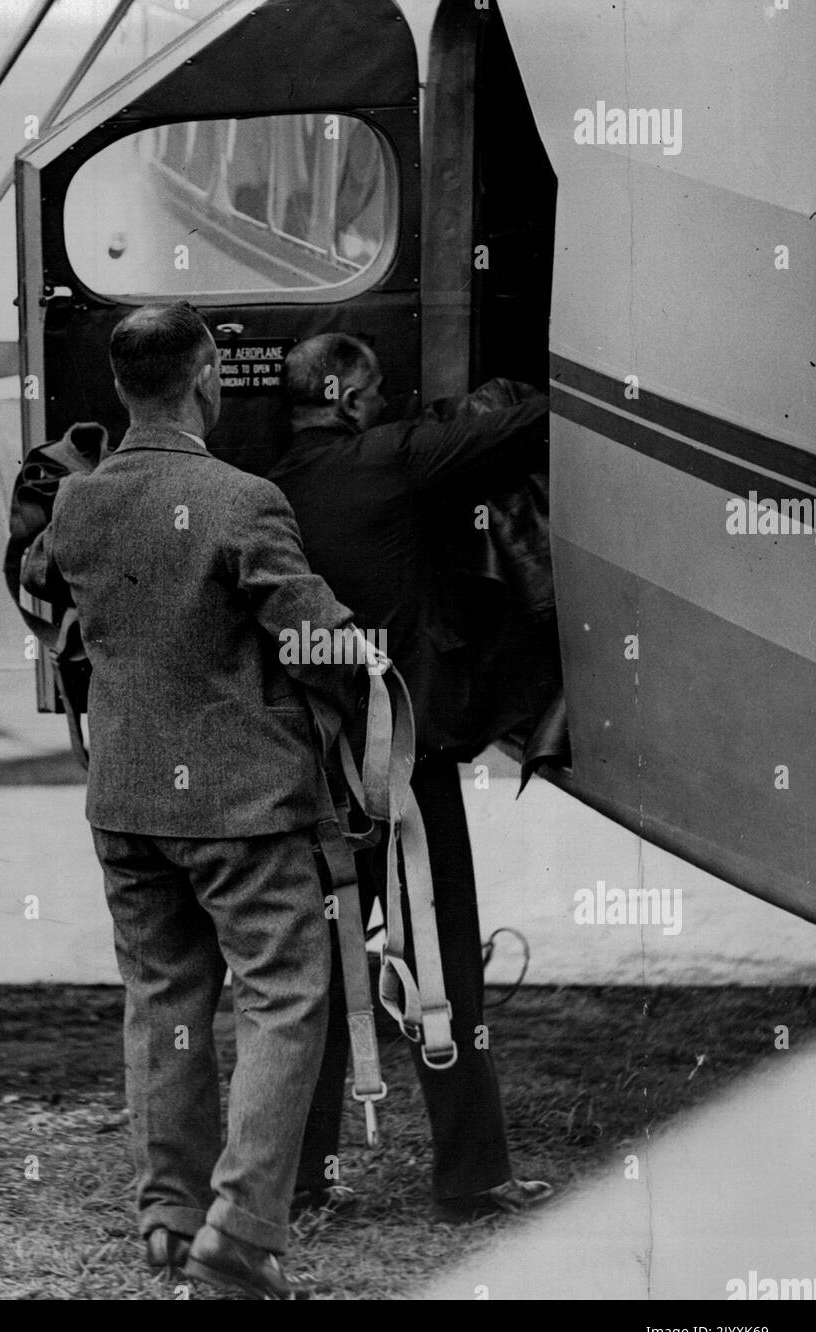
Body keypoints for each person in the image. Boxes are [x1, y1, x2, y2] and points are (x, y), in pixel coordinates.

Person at [22, 303, 368, 1299]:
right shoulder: (241, 499)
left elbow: (48, 599)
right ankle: (245, 1233)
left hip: (126, 798)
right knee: (283, 994)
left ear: (124, 388)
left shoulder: (78, 502)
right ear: (207, 377)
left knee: (165, 1001)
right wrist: (367, 672)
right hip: (241, 803)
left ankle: (172, 1223)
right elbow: (314, 640)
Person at [271, 332, 554, 1223]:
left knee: (313, 971)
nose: (386, 403)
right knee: (445, 963)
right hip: (409, 764)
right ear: (348, 397)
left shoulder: (264, 489)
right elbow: (533, 426)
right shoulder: (392, 458)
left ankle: (305, 1179)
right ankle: (470, 1178)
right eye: (379, 391)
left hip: (310, 773)